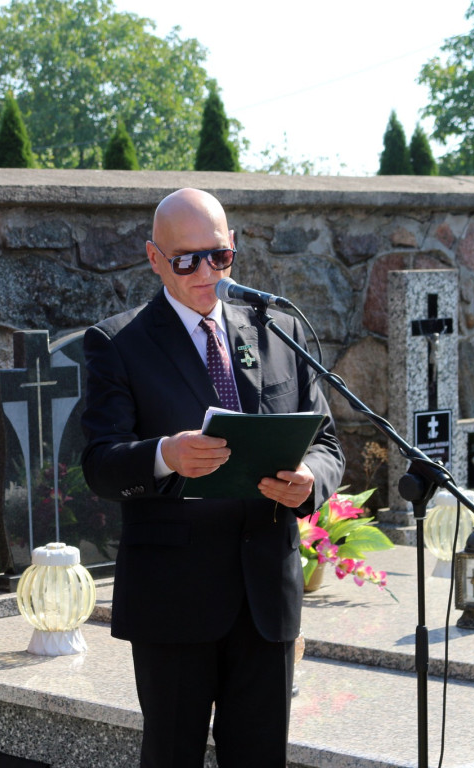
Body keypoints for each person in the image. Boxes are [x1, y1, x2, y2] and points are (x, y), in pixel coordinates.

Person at [80, 188, 345, 767]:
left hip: (265, 597)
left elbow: (327, 444)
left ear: (234, 249)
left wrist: (308, 480)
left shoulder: (278, 328)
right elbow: (100, 463)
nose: (206, 271)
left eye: (218, 257)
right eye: (186, 259)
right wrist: (164, 454)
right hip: (175, 599)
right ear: (155, 259)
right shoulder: (118, 343)